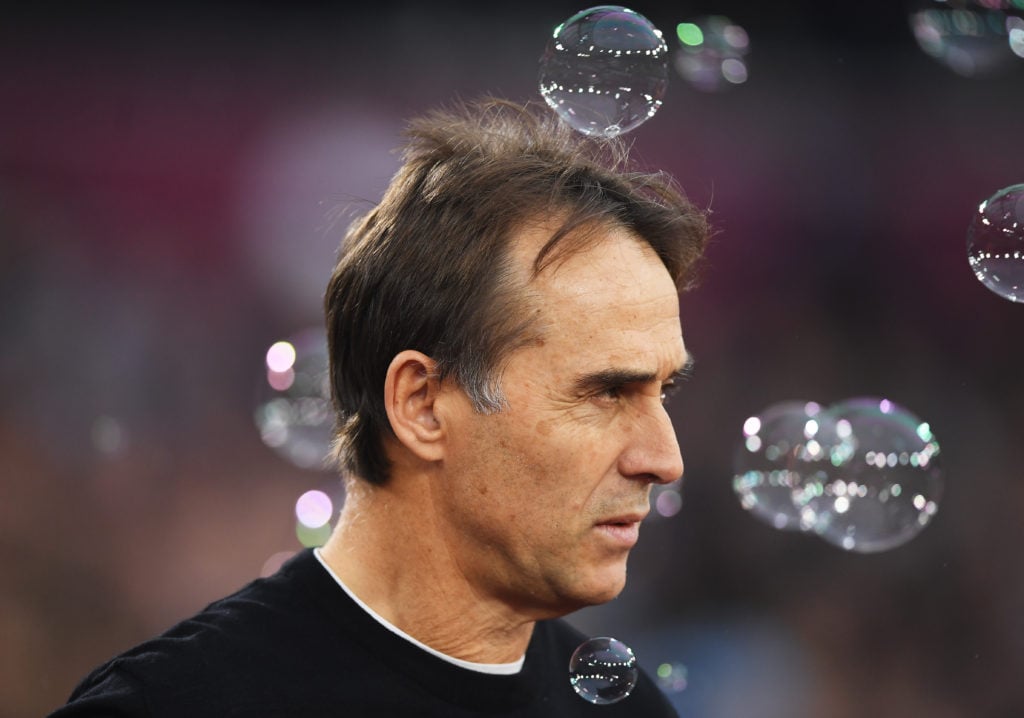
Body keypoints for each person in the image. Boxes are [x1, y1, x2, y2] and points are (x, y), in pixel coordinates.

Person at [50, 95, 711, 717]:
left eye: (664, 391)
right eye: (604, 392)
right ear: (422, 405)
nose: (665, 459)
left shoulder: (632, 709)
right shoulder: (172, 705)